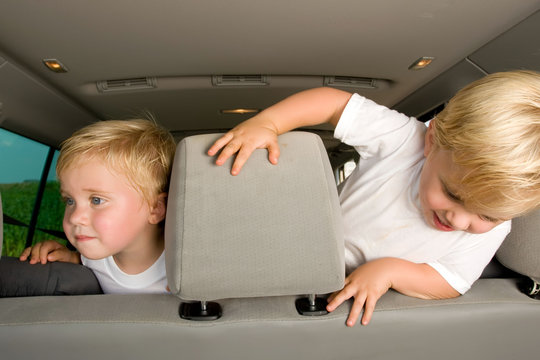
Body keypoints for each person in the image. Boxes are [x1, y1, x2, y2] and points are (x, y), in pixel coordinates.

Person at [207, 70, 540, 326]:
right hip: (300, 255)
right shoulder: (404, 140)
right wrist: (268, 123)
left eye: (488, 216)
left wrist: (391, 272)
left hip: (346, 296)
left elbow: (452, 281)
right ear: (432, 140)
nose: (460, 220)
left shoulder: (497, 229)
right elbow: (332, 103)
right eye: (452, 194)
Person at [19, 119, 177, 294]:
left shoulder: (183, 263)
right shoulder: (94, 257)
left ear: (156, 208)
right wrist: (69, 257)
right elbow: (86, 260)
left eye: (97, 200)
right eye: (69, 200)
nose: (75, 217)